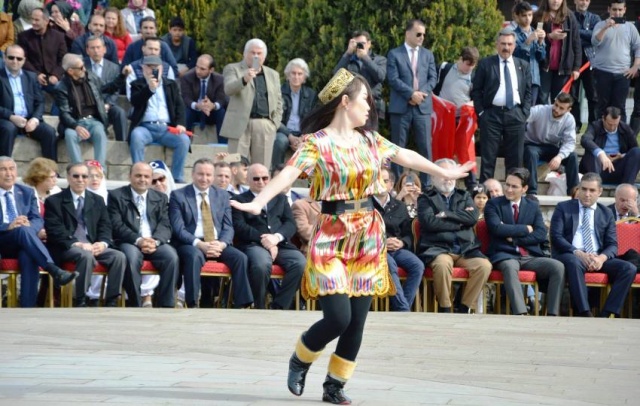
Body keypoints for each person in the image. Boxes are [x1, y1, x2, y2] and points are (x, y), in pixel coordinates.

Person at [230, 68, 473, 404]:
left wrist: (442, 170)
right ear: (345, 102)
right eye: (365, 101)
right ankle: (302, 356)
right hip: (332, 232)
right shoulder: (317, 143)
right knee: (338, 317)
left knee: (357, 320)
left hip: (368, 232)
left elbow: (405, 155)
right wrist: (259, 200)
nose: (370, 108)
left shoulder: (370, 140)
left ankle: (334, 385)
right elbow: (288, 174)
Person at [169, 158, 254, 309]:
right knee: (193, 257)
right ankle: (193, 302)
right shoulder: (178, 195)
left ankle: (243, 304)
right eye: (200, 174)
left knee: (240, 257)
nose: (204, 178)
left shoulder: (223, 196)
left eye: (208, 175)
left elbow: (228, 227)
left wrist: (221, 244)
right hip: (191, 243)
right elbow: (178, 228)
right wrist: (200, 244)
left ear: (213, 176)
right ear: (192, 174)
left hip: (216, 242)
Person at [550, 172, 636, 317]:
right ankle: (584, 312)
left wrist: (601, 258)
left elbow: (612, 245)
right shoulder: (563, 208)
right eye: (584, 189)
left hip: (597, 257)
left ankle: (607, 313)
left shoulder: (605, 213)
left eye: (592, 190)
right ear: (579, 189)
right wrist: (578, 252)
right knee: (574, 262)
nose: (587, 194)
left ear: (600, 192)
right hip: (571, 254)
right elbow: (556, 237)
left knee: (629, 268)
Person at [484, 167, 565, 316]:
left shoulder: (532, 206)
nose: (508, 189)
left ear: (524, 188)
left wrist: (514, 238)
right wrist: (526, 229)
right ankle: (521, 313)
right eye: (507, 184)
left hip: (530, 256)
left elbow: (541, 234)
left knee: (557, 266)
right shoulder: (493, 204)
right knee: (509, 266)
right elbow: (496, 229)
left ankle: (553, 314)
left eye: (514, 186)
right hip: (505, 255)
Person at [44, 162, 126, 307]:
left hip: (93, 244)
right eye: (76, 176)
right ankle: (81, 299)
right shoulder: (54, 201)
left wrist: (103, 243)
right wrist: (78, 243)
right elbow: (55, 230)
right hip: (68, 247)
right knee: (85, 255)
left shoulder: (98, 200)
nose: (80, 179)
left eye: (84, 176)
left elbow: (105, 226)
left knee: (118, 256)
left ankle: (112, 300)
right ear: (68, 178)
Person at [0, 156, 77, 307]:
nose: (8, 173)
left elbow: (37, 219)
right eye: (3, 169)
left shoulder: (26, 192)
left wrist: (28, 226)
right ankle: (53, 270)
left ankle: (27, 307)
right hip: (3, 239)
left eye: (11, 169)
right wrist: (9, 226)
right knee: (22, 231)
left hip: (24, 241)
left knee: (28, 254)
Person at [417, 158, 491, 313]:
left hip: (465, 249)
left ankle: (464, 307)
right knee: (442, 265)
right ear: (433, 176)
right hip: (439, 248)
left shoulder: (464, 195)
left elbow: (471, 219)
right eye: (444, 174)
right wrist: (459, 222)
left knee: (484, 266)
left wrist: (445, 214)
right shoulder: (425, 198)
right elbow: (430, 223)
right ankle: (445, 307)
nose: (448, 179)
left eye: (451, 175)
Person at [230, 163, 305, 309]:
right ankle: (259, 307)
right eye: (256, 179)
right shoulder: (239, 200)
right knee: (261, 265)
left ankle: (279, 306)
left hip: (281, 244)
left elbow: (290, 223)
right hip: (253, 244)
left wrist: (276, 238)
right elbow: (240, 227)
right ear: (247, 180)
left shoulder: (280, 198)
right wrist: (265, 240)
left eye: (265, 178)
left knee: (300, 263)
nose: (261, 182)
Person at [108, 162, 179, 308]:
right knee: (131, 258)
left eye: (147, 176)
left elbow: (165, 225)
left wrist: (156, 241)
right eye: (138, 175)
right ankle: (135, 303)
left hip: (154, 242)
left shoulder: (161, 197)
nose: (142, 179)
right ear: (130, 176)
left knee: (171, 257)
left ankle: (166, 304)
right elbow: (116, 225)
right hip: (130, 241)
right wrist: (139, 240)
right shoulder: (116, 196)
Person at [471, 28, 532, 183]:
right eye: (503, 44)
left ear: (515, 45)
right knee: (488, 158)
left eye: (510, 44)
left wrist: (524, 113)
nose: (506, 47)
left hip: (516, 115)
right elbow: (476, 90)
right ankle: (485, 195)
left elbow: (528, 92)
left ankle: (513, 195)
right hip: (491, 116)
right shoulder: (486, 64)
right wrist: (482, 113)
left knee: (515, 161)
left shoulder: (523, 65)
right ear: (497, 45)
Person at [55, 53, 129, 169]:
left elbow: (107, 88)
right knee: (69, 135)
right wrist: (76, 127)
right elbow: (64, 112)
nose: (84, 69)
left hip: (94, 120)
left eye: (83, 66)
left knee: (100, 133)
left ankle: (100, 170)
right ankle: (79, 169)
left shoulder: (90, 77)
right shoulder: (61, 87)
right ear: (70, 71)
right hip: (75, 122)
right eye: (80, 68)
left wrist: (122, 76)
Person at [387, 19, 437, 187]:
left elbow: (433, 78)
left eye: (423, 34)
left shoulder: (428, 54)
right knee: (398, 149)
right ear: (407, 33)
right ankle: (397, 185)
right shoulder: (395, 54)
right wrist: (411, 93)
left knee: (425, 148)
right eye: (418, 34)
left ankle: (427, 185)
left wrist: (420, 94)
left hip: (422, 108)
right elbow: (393, 78)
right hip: (401, 107)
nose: (422, 37)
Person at [220, 38, 283, 167]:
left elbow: (278, 101)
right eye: (252, 52)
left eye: (259, 53)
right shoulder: (233, 69)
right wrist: (245, 79)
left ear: (264, 57)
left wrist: (274, 123)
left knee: (261, 168)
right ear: (244, 54)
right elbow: (228, 89)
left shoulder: (273, 74)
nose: (255, 56)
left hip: (264, 125)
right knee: (234, 165)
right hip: (239, 124)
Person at [128, 55, 189, 183]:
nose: (152, 70)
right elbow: (136, 101)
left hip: (167, 127)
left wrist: (180, 124)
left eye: (155, 67)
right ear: (143, 68)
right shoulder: (137, 84)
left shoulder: (171, 85)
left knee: (183, 140)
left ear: (161, 68)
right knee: (136, 136)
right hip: (145, 127)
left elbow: (180, 106)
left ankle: (176, 177)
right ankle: (139, 174)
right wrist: (149, 88)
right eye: (149, 67)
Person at [374, 167, 424, 312]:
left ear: (391, 184)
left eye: (385, 181)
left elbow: (408, 232)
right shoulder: (366, 205)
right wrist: (383, 243)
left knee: (417, 265)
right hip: (376, 249)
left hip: (397, 248)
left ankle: (402, 307)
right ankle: (402, 309)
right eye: (377, 181)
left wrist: (402, 242)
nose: (381, 184)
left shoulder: (400, 206)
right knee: (389, 264)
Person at [0, 45, 58, 161]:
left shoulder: (30, 77)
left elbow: (40, 102)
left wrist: (35, 119)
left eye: (19, 58)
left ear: (24, 60)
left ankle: (51, 171)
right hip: (6, 119)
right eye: (11, 58)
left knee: (49, 132)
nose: (15, 61)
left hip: (29, 119)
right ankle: (3, 169)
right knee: (8, 129)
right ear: (4, 58)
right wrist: (11, 116)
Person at [590, 0, 640, 121]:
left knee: (620, 108)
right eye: (614, 9)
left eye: (620, 10)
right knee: (602, 107)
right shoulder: (600, 25)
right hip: (602, 72)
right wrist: (605, 27)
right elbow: (594, 42)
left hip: (623, 74)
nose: (617, 13)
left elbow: (638, 47)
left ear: (624, 10)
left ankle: (620, 138)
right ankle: (600, 136)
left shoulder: (630, 27)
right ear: (609, 10)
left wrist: (635, 66)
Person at [523, 92, 579, 197]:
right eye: (556, 105)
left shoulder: (570, 119)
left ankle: (574, 193)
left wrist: (559, 156)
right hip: (531, 144)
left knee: (573, 156)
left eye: (562, 108)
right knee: (531, 152)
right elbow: (523, 117)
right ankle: (532, 192)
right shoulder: (540, 110)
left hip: (551, 147)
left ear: (568, 110)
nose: (557, 109)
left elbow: (570, 142)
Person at [333, 30, 386, 130]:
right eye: (357, 44)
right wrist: (348, 52)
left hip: (372, 106)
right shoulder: (348, 60)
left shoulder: (379, 60)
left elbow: (380, 76)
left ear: (369, 44)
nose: (360, 46)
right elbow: (336, 77)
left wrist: (365, 58)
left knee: (369, 139)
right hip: (352, 107)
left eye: (362, 43)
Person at [533, 0, 581, 105]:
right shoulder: (538, 16)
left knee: (559, 101)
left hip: (563, 69)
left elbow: (576, 44)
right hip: (544, 66)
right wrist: (550, 36)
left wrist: (576, 68)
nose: (555, 1)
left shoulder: (569, 16)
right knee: (542, 99)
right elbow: (533, 41)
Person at [272, 58, 317, 167]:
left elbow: (313, 119)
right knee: (279, 142)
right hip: (283, 132)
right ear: (288, 75)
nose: (296, 77)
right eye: (293, 73)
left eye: (300, 74)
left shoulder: (311, 95)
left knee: (314, 144)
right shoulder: (278, 92)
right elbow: (275, 118)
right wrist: (290, 136)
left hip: (303, 132)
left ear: (304, 77)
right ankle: (275, 174)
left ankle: (308, 180)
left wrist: (303, 137)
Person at [579, 106, 640, 185]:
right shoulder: (595, 126)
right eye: (609, 124)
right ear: (603, 118)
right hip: (597, 166)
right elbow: (585, 139)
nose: (612, 127)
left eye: (615, 124)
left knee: (637, 152)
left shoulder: (625, 129)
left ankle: (627, 186)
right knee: (591, 152)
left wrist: (621, 156)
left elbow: (634, 149)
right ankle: (595, 185)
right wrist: (601, 154)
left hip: (617, 166)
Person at [84, 35, 129, 142]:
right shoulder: (82, 66)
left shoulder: (114, 67)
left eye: (98, 47)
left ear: (104, 49)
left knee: (119, 113)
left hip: (106, 104)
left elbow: (116, 90)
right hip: (87, 105)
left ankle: (121, 143)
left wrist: (108, 104)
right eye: (92, 48)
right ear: (87, 50)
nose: (96, 51)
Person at [18, 7, 67, 103]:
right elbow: (23, 59)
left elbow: (63, 59)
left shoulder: (59, 36)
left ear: (46, 21)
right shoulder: (24, 36)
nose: (33, 22)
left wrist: (56, 75)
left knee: (63, 91)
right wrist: (37, 74)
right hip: (32, 76)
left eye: (37, 20)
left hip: (53, 76)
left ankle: (55, 116)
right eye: (32, 19)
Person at [180, 54, 227, 140]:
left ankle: (222, 145)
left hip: (211, 112)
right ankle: (185, 141)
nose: (198, 71)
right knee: (187, 112)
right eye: (197, 67)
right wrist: (198, 105)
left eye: (202, 69)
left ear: (211, 70)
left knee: (221, 112)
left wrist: (212, 106)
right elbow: (186, 98)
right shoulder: (187, 77)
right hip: (195, 110)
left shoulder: (219, 79)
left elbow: (221, 99)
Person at [572, 0, 600, 130]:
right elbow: (568, 35)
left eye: (587, 0)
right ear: (575, 1)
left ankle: (593, 127)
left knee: (593, 96)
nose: (584, 2)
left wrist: (576, 31)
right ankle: (575, 125)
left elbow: (595, 36)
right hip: (572, 61)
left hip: (590, 60)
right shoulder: (568, 16)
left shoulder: (595, 18)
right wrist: (586, 34)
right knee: (573, 96)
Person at [513, 1, 547, 106]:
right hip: (518, 78)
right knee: (517, 109)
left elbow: (541, 57)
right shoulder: (513, 34)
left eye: (530, 15)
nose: (527, 18)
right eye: (524, 15)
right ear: (517, 17)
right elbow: (515, 56)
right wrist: (528, 41)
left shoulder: (536, 32)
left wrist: (541, 42)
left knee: (531, 110)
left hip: (534, 78)